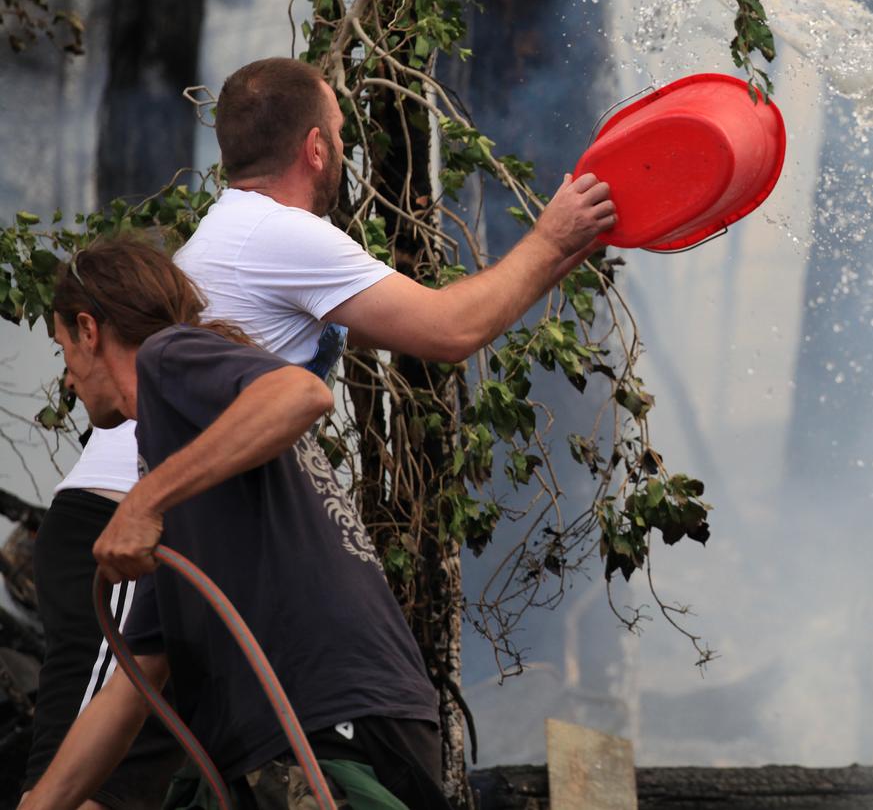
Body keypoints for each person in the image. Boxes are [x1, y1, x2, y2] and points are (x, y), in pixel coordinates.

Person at [23, 56, 616, 807]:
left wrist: (560, 250)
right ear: (314, 148)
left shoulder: (234, 264)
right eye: (340, 134)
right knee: (92, 789)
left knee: (107, 788)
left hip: (164, 527)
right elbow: (449, 327)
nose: (344, 148)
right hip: (121, 519)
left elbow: (305, 387)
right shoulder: (269, 236)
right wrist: (552, 236)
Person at [23, 237, 450, 809]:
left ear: (89, 330)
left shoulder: (167, 358)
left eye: (64, 351)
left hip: (322, 728)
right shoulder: (189, 454)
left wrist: (143, 500)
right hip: (371, 724)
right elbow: (137, 678)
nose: (70, 382)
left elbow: (302, 392)